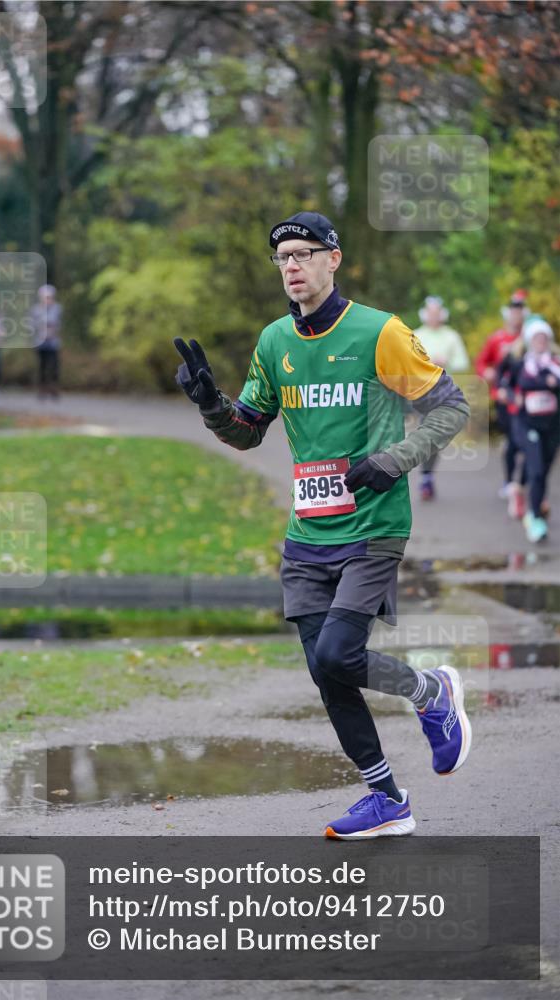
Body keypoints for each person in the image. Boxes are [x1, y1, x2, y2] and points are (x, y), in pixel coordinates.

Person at [174, 211, 471, 839]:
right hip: (308, 533)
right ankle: (387, 797)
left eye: (305, 254)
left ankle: (430, 692)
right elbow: (248, 433)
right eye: (282, 257)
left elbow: (451, 408)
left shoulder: (379, 333)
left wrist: (394, 460)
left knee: (340, 653)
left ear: (334, 260)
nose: (292, 266)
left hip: (373, 526)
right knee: (325, 670)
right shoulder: (275, 342)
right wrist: (210, 405)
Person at [475, 289, 529, 508]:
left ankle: (522, 483)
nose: (517, 316)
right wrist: (486, 373)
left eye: (521, 311)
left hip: (526, 400)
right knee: (512, 441)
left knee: (524, 442)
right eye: (514, 311)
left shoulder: (531, 337)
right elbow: (482, 362)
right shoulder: (497, 338)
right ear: (508, 314)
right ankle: (510, 482)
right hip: (504, 398)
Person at [414, 296, 470, 500]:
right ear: (425, 314)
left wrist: (447, 361)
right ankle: (425, 476)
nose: (433, 317)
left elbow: (463, 362)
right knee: (427, 432)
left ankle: (427, 474)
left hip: (444, 391)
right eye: (430, 312)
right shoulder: (416, 335)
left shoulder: (451, 336)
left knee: (434, 436)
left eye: (437, 313)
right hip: (420, 391)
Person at [510, 316, 560, 543]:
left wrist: (551, 384)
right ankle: (535, 516)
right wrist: (513, 396)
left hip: (552, 425)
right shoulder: (521, 363)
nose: (541, 342)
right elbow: (509, 384)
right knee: (536, 469)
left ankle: (534, 504)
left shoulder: (556, 364)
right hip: (527, 423)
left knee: (545, 470)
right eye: (537, 338)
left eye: (544, 338)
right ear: (530, 340)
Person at [30, 284, 63, 399]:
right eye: (45, 297)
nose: (47, 299)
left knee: (54, 366)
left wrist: (52, 330)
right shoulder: (36, 310)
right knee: (42, 367)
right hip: (40, 342)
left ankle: (54, 388)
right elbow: (32, 326)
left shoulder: (57, 308)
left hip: (53, 342)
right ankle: (42, 389)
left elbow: (59, 324)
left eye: (49, 297)